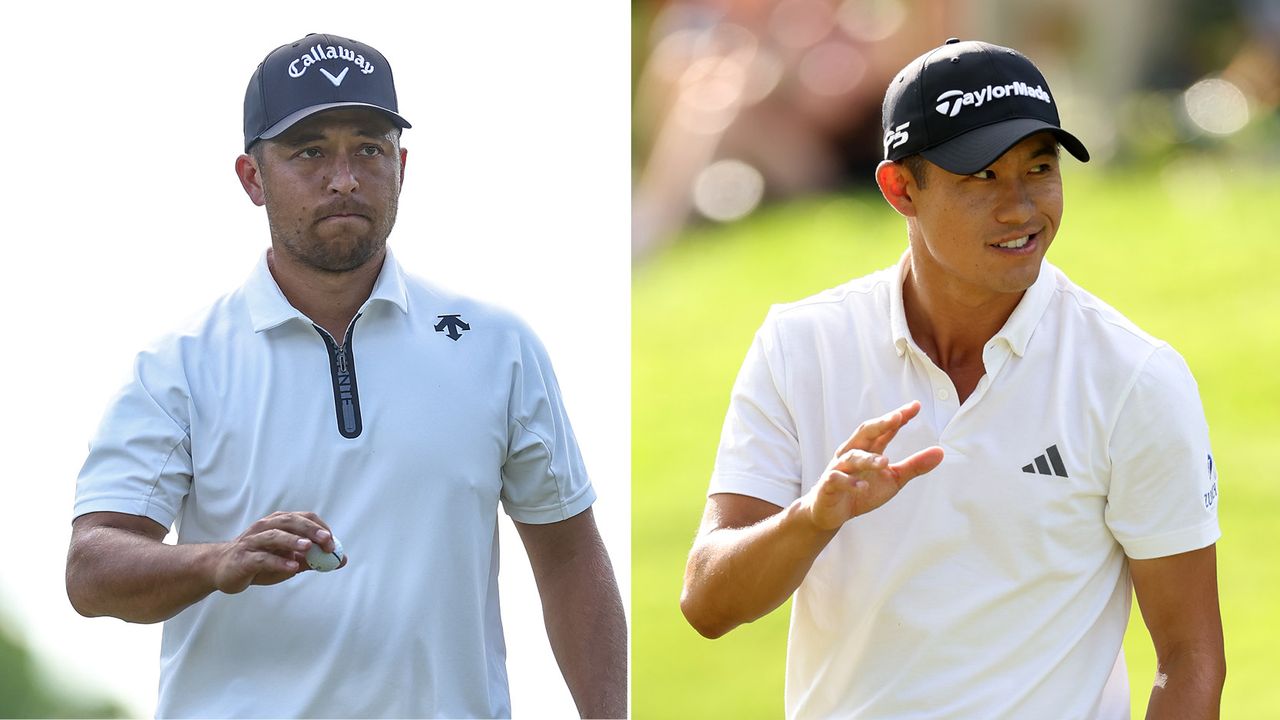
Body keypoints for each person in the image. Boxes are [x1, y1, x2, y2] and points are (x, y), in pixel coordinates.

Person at [65, 33, 626, 719]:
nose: (345, 178)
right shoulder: (179, 366)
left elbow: (570, 556)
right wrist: (216, 562)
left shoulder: (497, 346)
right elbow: (92, 568)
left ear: (403, 165)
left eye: (369, 147)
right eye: (309, 152)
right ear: (251, 177)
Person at [681, 38, 1224, 719]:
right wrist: (812, 519)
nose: (1022, 208)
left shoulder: (1134, 377)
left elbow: (1190, 653)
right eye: (981, 177)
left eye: (1040, 168)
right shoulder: (801, 346)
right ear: (900, 188)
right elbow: (707, 601)